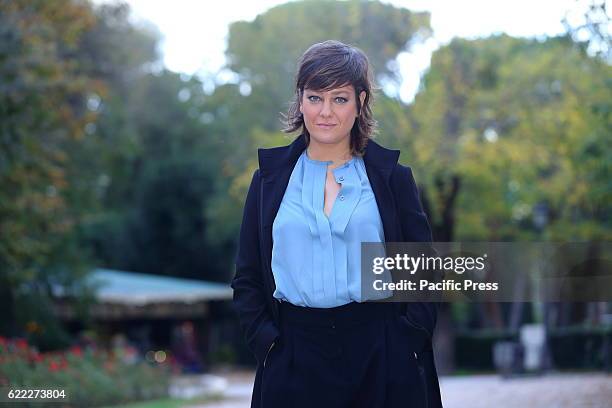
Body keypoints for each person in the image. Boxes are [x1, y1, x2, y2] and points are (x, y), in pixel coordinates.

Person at [231, 40, 442, 408]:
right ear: (300, 100)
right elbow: (247, 277)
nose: (325, 112)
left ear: (360, 102)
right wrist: (268, 345)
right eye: (315, 97)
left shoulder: (392, 178)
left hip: (380, 352)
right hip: (293, 355)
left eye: (340, 99)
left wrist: (407, 340)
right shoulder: (268, 181)